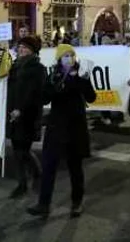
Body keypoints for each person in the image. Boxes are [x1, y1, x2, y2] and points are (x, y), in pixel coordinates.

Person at [27, 44, 96, 218]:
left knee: (75, 168)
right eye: (65, 56)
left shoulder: (80, 75)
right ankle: (44, 204)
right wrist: (55, 85)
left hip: (75, 128)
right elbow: (45, 98)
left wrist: (82, 80)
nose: (69, 59)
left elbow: (91, 97)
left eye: (71, 56)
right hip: (57, 128)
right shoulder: (53, 76)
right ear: (59, 59)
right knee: (49, 166)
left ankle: (76, 202)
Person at [7, 36, 46, 198]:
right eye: (20, 47)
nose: (21, 50)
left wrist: (21, 109)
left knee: (23, 150)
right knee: (17, 150)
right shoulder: (14, 66)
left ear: (33, 50)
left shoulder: (38, 68)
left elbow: (34, 94)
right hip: (12, 114)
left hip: (27, 116)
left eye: (25, 47)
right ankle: (25, 181)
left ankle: (33, 176)